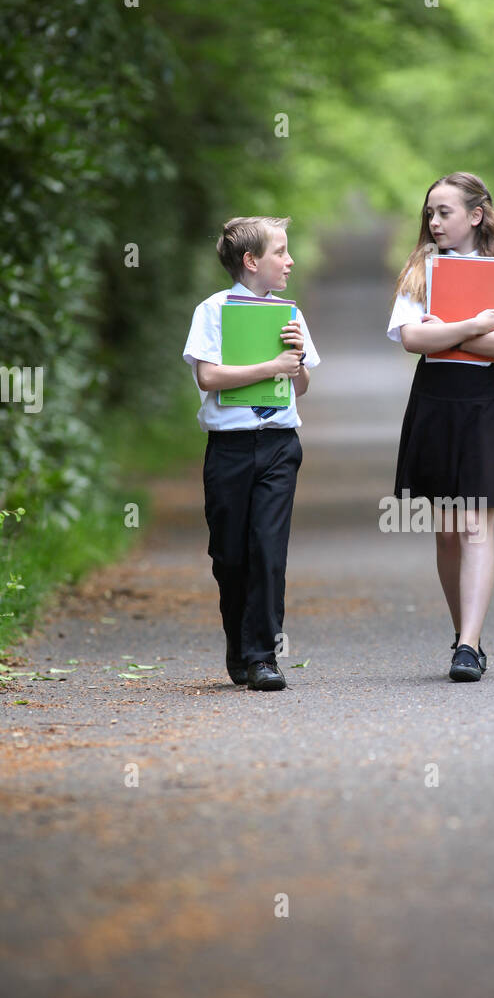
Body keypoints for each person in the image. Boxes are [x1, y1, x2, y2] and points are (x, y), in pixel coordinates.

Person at [387, 172, 494, 682]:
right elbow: (411, 339)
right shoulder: (419, 273)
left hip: (487, 404)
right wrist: (475, 327)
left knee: (475, 524)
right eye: (429, 213)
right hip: (437, 402)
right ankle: (461, 634)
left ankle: (469, 646)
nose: (433, 222)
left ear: (476, 215)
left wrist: (445, 333)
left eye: (444, 212)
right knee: (447, 531)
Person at [182, 216, 320, 691]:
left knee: (268, 550)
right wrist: (269, 366)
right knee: (230, 555)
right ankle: (238, 643)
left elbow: (300, 386)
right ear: (251, 261)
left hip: (279, 443)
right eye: (281, 252)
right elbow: (208, 377)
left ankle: (264, 655)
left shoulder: (289, 314)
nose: (290, 260)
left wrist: (296, 360)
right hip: (230, 448)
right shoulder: (213, 311)